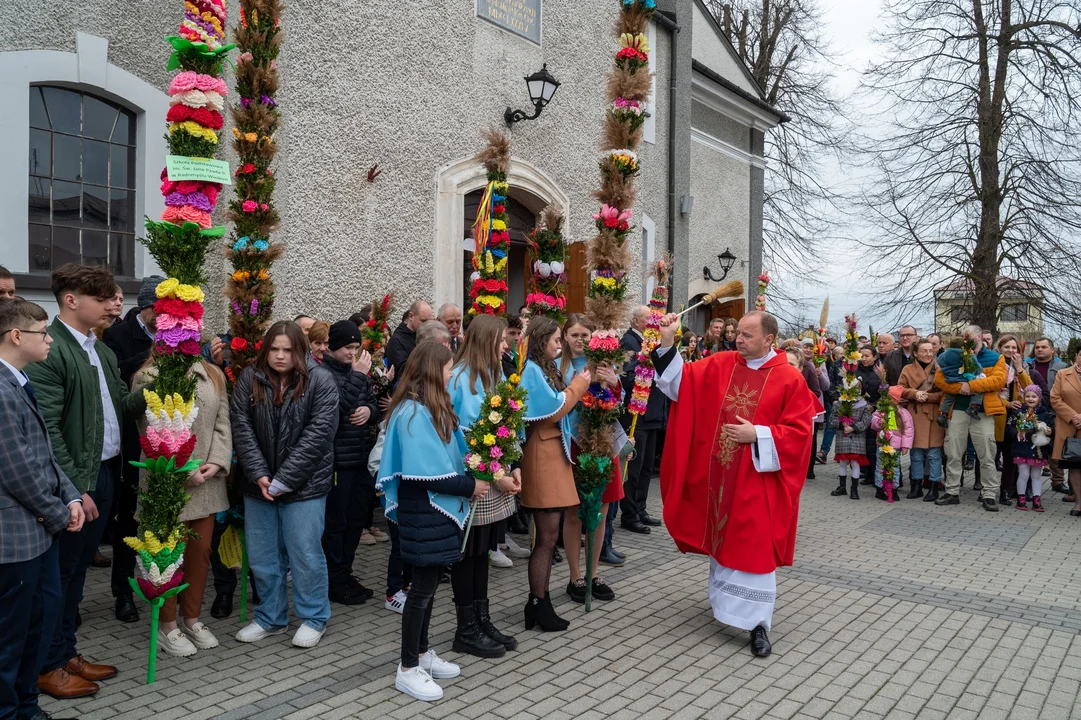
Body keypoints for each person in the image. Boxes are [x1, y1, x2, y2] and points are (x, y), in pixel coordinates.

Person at [653, 310, 819, 657]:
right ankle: (725, 608)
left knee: (753, 545)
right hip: (719, 476)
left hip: (758, 482)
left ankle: (759, 624)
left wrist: (757, 434)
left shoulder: (789, 379)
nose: (737, 340)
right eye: (737, 334)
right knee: (723, 538)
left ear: (769, 340)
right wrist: (668, 339)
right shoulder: (721, 363)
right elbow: (679, 384)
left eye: (746, 335)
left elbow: (801, 435)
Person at [29, 264, 146, 699]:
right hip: (78, 481)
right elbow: (49, 430)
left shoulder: (102, 350)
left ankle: (64, 652)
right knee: (59, 577)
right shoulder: (52, 349)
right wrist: (74, 488)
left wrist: (159, 384)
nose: (112, 305)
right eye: (101, 299)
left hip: (105, 474)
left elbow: (119, 406)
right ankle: (46, 665)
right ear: (71, 300)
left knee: (76, 574)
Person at [377, 342, 486, 702]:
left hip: (433, 512)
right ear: (432, 370)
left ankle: (422, 653)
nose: (450, 374)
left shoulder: (429, 408)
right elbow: (429, 476)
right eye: (447, 368)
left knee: (429, 586)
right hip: (423, 510)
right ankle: (407, 668)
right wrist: (472, 485)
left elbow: (452, 456)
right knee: (420, 591)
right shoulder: (412, 413)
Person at [231, 321, 339, 648]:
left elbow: (318, 435)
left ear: (300, 351)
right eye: (274, 349)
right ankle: (271, 617)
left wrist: (284, 480)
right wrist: (260, 475)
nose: (280, 356)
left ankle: (313, 616)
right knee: (264, 557)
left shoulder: (320, 380)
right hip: (258, 485)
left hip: (304, 486)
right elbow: (242, 428)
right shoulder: (250, 378)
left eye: (288, 350)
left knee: (304, 553)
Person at [0, 299, 84, 719]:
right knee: (11, 635)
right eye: (42, 333)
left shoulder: (18, 380)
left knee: (40, 621)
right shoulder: (0, 389)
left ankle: (26, 704)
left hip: (39, 532)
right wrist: (58, 512)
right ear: (17, 336)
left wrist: (68, 496)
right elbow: (16, 468)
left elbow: (45, 453)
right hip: (14, 538)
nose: (49, 340)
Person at [132, 354, 231, 657]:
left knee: (199, 554)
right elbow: (150, 430)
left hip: (208, 483)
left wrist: (216, 461)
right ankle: (166, 625)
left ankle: (192, 619)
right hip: (167, 483)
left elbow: (222, 422)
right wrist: (184, 469)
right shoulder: (147, 376)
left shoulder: (212, 373)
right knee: (166, 556)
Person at [446, 315, 521, 658]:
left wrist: (514, 465)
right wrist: (494, 474)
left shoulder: (496, 374)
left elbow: (507, 423)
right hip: (475, 478)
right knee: (467, 554)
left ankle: (482, 618)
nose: (506, 345)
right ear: (486, 339)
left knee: (482, 554)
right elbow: (458, 434)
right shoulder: (459, 378)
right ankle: (466, 629)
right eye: (502, 339)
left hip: (495, 476)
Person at [517, 316, 590, 631]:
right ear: (540, 340)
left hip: (552, 454)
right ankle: (537, 602)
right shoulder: (532, 371)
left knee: (549, 536)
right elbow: (552, 411)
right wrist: (578, 386)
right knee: (546, 537)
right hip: (542, 456)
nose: (559, 345)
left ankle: (540, 600)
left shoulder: (543, 368)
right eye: (556, 340)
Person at [102, 274, 163, 625]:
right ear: (147, 308)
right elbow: (118, 379)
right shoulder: (117, 336)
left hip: (170, 439)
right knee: (128, 520)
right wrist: (155, 354)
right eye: (162, 309)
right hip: (132, 442)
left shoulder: (179, 332)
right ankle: (123, 591)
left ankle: (162, 584)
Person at [561, 315, 624, 597]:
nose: (580, 340)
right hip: (574, 443)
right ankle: (575, 576)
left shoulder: (603, 363)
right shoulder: (558, 365)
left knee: (601, 510)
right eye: (574, 334)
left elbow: (617, 402)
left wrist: (614, 383)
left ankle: (593, 574)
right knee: (575, 512)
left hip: (603, 441)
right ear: (564, 337)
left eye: (585, 335)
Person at [320, 321, 381, 606]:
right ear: (333, 347)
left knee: (356, 521)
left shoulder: (359, 374)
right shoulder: (321, 374)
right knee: (337, 524)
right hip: (337, 463)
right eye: (347, 347)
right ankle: (334, 579)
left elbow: (371, 401)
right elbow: (336, 404)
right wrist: (358, 376)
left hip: (360, 459)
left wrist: (369, 411)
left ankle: (345, 573)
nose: (352, 353)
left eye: (356, 348)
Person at [934, 325, 1008, 511]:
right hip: (957, 410)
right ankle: (952, 491)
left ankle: (989, 494)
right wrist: (960, 388)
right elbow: (940, 380)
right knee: (953, 452)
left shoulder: (995, 357)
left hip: (982, 412)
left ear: (981, 337)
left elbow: (998, 381)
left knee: (987, 454)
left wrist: (971, 386)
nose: (968, 344)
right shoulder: (954, 353)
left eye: (972, 340)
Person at [619, 306, 665, 535]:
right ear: (637, 321)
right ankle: (629, 513)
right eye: (649, 319)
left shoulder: (651, 342)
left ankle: (640, 507)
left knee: (647, 466)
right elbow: (626, 377)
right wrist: (645, 365)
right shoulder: (629, 341)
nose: (653, 323)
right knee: (633, 466)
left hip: (652, 411)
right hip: (636, 412)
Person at [899, 339, 945, 501]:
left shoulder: (940, 369)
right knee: (916, 454)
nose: (928, 354)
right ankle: (916, 486)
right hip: (915, 415)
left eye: (930, 350)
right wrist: (914, 394)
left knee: (934, 454)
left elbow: (945, 393)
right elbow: (900, 389)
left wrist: (929, 397)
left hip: (934, 415)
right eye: (924, 351)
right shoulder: (907, 369)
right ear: (915, 353)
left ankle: (933, 487)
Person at [993, 335, 1035, 505]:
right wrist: (1007, 403)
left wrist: (1019, 368)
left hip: (1015, 419)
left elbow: (1030, 388)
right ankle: (985, 490)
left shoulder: (1023, 366)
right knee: (991, 457)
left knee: (1010, 459)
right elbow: (990, 392)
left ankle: (1006, 490)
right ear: (1000, 349)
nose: (1011, 351)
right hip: (997, 416)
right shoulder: (994, 366)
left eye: (1014, 348)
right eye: (1007, 347)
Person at [1027, 337, 1069, 493]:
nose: (1039, 349)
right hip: (1032, 411)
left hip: (1054, 411)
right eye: (1037, 347)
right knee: (1033, 445)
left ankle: (1057, 481)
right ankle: (1030, 484)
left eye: (1044, 347)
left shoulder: (1061, 367)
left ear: (1052, 350)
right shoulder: (1028, 365)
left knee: (1055, 446)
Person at [1008, 385, 1054, 511]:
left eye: (1034, 396)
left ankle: (1037, 500)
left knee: (1036, 475)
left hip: (1038, 450)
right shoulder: (1018, 412)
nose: (1030, 399)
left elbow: (1051, 428)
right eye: (1027, 396)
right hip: (1021, 448)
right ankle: (1021, 499)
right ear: (1023, 397)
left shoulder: (1045, 413)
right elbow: (1010, 428)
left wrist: (1049, 431)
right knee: (1023, 474)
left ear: (1039, 398)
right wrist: (1017, 432)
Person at [829, 378, 873, 500]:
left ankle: (854, 489)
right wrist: (842, 423)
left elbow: (866, 421)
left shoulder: (864, 405)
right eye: (854, 389)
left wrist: (853, 427)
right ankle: (842, 487)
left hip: (857, 438)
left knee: (855, 463)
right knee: (842, 462)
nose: (857, 391)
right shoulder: (839, 404)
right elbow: (831, 420)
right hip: (842, 437)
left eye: (859, 388)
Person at [1050, 347, 1081, 517]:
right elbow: (1055, 398)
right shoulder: (1063, 374)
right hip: (1070, 426)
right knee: (1075, 465)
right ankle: (1079, 501)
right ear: (1076, 356)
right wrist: (1073, 416)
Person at [871, 387, 914, 500]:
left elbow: (908, 430)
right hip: (882, 444)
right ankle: (879, 489)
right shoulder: (881, 410)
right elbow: (873, 422)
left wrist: (905, 446)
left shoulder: (903, 413)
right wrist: (879, 422)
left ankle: (894, 489)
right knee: (880, 466)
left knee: (894, 467)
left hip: (895, 446)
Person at [936, 334, 986, 426]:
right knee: (978, 390)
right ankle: (973, 407)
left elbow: (939, 363)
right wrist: (980, 370)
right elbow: (977, 367)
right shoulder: (967, 354)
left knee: (949, 397)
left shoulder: (943, 355)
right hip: (965, 379)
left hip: (950, 379)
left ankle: (943, 414)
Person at [386, 300, 433, 385]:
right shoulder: (397, 340)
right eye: (423, 321)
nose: (427, 326)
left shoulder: (427, 336)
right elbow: (403, 371)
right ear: (411, 316)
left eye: (430, 322)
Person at [857, 346, 883, 485]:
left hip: (874, 412)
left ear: (874, 357)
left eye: (867, 356)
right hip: (858, 412)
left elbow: (884, 393)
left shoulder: (879, 373)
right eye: (862, 356)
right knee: (861, 444)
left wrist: (874, 405)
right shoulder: (854, 371)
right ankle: (864, 472)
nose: (864, 358)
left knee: (872, 445)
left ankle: (874, 474)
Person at [818, 346, 845, 464]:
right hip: (836, 400)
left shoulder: (857, 364)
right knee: (831, 425)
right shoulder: (837, 365)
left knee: (847, 426)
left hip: (853, 401)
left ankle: (843, 453)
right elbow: (831, 382)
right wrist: (834, 398)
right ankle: (823, 452)